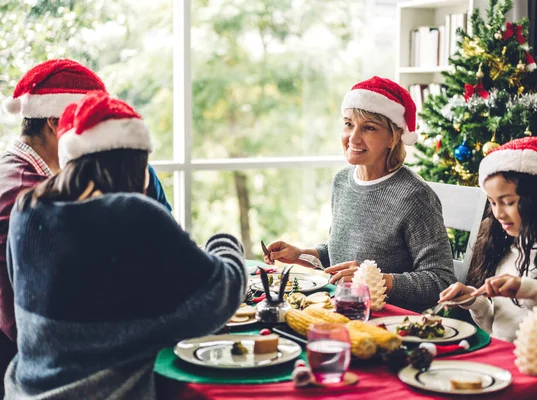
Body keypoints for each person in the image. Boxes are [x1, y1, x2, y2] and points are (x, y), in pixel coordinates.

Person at [3, 92, 246, 399]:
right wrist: (225, 242)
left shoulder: (27, 209)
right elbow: (219, 297)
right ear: (135, 164)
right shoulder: (133, 213)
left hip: (23, 390)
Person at [0, 59, 172, 392]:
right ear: (54, 123)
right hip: (40, 368)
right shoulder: (29, 193)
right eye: (86, 126)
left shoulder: (30, 174)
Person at [265, 76, 456, 311]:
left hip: (390, 322)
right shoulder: (342, 182)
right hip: (343, 309)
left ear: (394, 137)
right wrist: (301, 255)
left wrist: (374, 280)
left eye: (369, 128)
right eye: (348, 124)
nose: (353, 138)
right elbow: (343, 255)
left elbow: (441, 281)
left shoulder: (415, 196)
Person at [439, 136, 537, 368]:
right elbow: (502, 330)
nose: (499, 214)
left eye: (508, 202)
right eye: (493, 203)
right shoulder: (513, 250)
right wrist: (475, 302)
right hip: (502, 368)